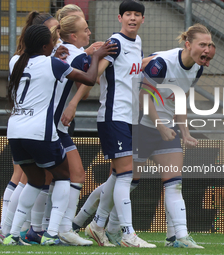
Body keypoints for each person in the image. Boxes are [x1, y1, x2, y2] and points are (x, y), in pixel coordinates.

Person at [1, 24, 115, 246]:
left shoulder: (15, 61)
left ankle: (12, 234)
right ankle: (52, 233)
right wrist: (96, 56)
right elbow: (89, 79)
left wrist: (53, 55)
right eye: (53, 42)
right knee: (65, 175)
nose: (56, 44)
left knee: (34, 180)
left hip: (15, 131)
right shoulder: (52, 63)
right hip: (39, 131)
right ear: (45, 46)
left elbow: (37, 67)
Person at [61, 0, 155, 248]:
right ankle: (127, 234)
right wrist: (73, 104)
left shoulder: (138, 44)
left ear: (143, 20)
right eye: (128, 14)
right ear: (119, 17)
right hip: (113, 116)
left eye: (137, 14)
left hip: (130, 118)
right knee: (126, 175)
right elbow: (93, 75)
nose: (133, 18)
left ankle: (93, 223)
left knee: (120, 175)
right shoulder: (115, 43)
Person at [135, 23, 213, 249]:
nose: (207, 49)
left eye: (209, 45)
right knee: (123, 183)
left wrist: (185, 133)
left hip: (166, 129)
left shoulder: (198, 68)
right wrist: (159, 126)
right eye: (202, 44)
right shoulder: (162, 63)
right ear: (188, 44)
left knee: (174, 183)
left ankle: (178, 237)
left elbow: (180, 99)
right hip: (140, 125)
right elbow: (143, 97)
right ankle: (88, 223)